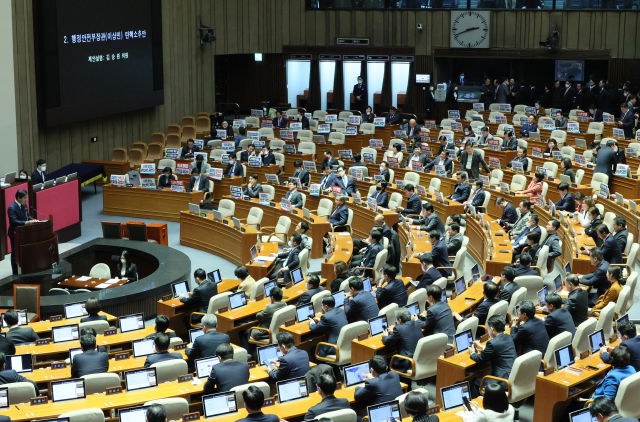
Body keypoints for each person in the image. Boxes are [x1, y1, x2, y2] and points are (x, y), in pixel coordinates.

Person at [468, 316, 517, 398]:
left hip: (503, 380)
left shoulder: (492, 343)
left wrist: (472, 352)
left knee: (476, 382)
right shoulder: (508, 337)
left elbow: (480, 358)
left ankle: (477, 406)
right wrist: (482, 347)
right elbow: (499, 349)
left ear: (492, 329)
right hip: (513, 376)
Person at [382, 307, 423, 373]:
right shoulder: (417, 323)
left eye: (396, 319)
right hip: (419, 359)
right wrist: (395, 332)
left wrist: (385, 336)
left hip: (407, 362)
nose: (396, 321)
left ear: (400, 319)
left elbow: (386, 341)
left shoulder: (398, 329)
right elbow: (407, 331)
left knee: (387, 360)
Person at [7, 189, 35, 274]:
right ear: (18, 198)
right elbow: (14, 221)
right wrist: (27, 222)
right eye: (25, 198)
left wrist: (34, 220)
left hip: (24, 233)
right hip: (15, 234)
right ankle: (15, 272)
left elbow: (28, 216)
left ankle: (25, 268)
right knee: (15, 253)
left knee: (25, 251)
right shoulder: (11, 208)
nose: (26, 200)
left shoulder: (24, 205)